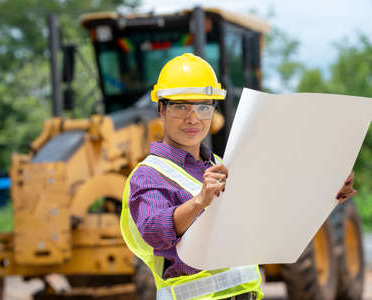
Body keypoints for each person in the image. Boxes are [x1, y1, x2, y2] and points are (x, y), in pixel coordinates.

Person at [120, 53, 356, 300]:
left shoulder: (223, 165)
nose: (193, 118)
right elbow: (154, 229)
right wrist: (200, 201)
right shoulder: (149, 175)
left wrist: (327, 194)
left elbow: (267, 221)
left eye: (203, 107)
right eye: (181, 106)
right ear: (162, 109)